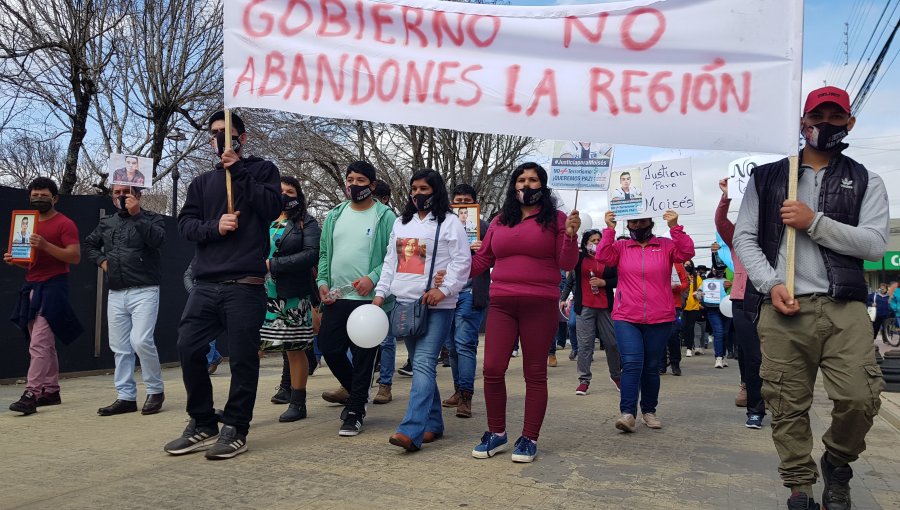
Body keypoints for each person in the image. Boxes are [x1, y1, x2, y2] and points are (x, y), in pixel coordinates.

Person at [733, 86, 889, 510]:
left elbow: (874, 244)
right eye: (816, 117)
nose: (825, 125)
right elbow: (744, 238)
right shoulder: (767, 177)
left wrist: (813, 221)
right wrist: (769, 283)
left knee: (860, 397)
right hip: (784, 309)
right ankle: (800, 487)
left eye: (835, 117)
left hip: (846, 308)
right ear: (802, 123)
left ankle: (838, 461)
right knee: (785, 403)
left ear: (849, 124)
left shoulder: (866, 180)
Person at [163, 110, 281, 460]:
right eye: (214, 133)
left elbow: (272, 207)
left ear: (242, 139)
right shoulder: (201, 183)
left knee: (243, 359)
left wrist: (238, 170)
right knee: (187, 347)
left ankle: (235, 428)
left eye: (227, 133)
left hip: (245, 285)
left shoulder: (262, 171)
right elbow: (185, 225)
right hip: (206, 284)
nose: (220, 139)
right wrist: (215, 227)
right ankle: (202, 421)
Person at [469, 162, 580, 463]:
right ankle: (497, 433)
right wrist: (451, 267)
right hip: (502, 304)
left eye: (533, 180)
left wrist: (570, 236)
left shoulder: (557, 219)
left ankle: (529, 438)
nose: (527, 185)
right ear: (513, 186)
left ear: (543, 187)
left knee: (535, 373)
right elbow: (482, 261)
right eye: (521, 180)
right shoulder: (500, 220)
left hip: (539, 305)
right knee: (492, 369)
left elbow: (567, 264)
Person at [373, 169, 470, 451]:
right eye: (414, 188)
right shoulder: (402, 223)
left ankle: (411, 430)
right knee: (421, 365)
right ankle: (434, 424)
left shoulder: (450, 223)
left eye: (424, 189)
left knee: (425, 363)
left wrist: (445, 289)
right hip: (406, 304)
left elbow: (462, 261)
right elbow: (391, 262)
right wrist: (381, 294)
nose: (417, 193)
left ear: (436, 191)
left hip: (438, 305)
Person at [316, 161, 397, 436]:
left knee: (364, 357)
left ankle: (355, 411)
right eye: (350, 179)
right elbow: (325, 254)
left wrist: (372, 278)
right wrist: (322, 282)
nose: (354, 185)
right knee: (329, 346)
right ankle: (357, 395)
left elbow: (393, 256)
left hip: (368, 301)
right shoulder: (335, 215)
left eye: (361, 180)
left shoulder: (385, 216)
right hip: (337, 298)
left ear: (372, 186)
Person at [596, 209, 694, 433]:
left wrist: (675, 227)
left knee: (651, 367)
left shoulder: (666, 245)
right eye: (633, 222)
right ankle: (628, 413)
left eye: (642, 221)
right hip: (626, 316)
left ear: (651, 221)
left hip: (660, 317)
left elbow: (686, 251)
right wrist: (609, 230)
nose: (637, 226)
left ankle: (649, 411)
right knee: (631, 364)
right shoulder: (620, 248)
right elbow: (602, 256)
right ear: (627, 224)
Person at [85, 184, 166, 416]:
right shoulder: (106, 222)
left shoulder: (152, 218)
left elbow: (157, 241)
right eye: (117, 193)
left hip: (145, 289)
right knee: (120, 347)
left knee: (141, 341)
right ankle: (126, 396)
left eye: (126, 192)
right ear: (112, 197)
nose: (122, 196)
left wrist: (137, 214)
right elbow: (89, 244)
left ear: (138, 195)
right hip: (117, 291)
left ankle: (155, 390)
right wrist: (102, 261)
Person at [6, 177, 83, 415]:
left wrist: (46, 245)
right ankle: (50, 390)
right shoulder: (26, 224)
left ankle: (31, 393)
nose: (39, 199)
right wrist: (15, 261)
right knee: (42, 343)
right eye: (35, 195)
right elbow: (32, 264)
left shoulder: (65, 224)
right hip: (31, 286)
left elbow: (74, 257)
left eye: (44, 195)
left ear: (55, 198)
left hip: (53, 287)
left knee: (39, 342)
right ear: (29, 197)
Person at [258, 176, 321, 422]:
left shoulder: (307, 222)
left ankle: (298, 402)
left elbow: (310, 255)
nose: (284, 196)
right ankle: (240, 403)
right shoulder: (261, 219)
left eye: (290, 192)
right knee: (252, 348)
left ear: (299, 196)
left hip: (292, 294)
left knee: (295, 349)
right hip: (258, 292)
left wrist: (273, 264)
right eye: (280, 190)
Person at [716, 178, 766, 428]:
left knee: (772, 356)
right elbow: (721, 222)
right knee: (751, 356)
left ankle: (778, 403)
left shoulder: (778, 235)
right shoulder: (737, 236)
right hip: (742, 299)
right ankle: (755, 409)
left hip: (771, 298)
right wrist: (726, 197)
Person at [441, 183, 491, 418]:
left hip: (471, 293)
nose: (462, 205)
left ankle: (466, 396)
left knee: (464, 344)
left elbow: (496, 258)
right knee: (451, 347)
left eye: (466, 201)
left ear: (474, 203)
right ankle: (458, 390)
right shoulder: (444, 225)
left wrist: (482, 251)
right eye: (458, 201)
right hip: (448, 292)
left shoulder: (484, 228)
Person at [560, 229, 621, 395]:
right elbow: (567, 260)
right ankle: (584, 380)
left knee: (612, 343)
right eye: (592, 240)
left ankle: (616, 376)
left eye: (598, 240)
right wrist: (571, 235)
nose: (596, 243)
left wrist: (604, 282)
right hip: (585, 307)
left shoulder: (609, 258)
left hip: (605, 307)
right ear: (585, 243)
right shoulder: (579, 259)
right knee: (585, 346)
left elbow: (618, 278)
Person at [372, 178, 399, 405]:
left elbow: (393, 259)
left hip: (386, 290)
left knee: (386, 340)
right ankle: (348, 383)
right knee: (357, 338)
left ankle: (385, 385)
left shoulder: (391, 219)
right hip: (359, 289)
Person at [182, 261, 223, 374]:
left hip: (221, 297)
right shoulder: (201, 255)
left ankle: (207, 363)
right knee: (196, 334)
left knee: (209, 335)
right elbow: (187, 275)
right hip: (200, 299)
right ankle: (214, 358)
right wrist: (194, 292)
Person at [660, 260, 688, 376]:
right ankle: (661, 365)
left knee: (673, 334)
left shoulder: (678, 265)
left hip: (674, 305)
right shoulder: (655, 262)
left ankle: (675, 363)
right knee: (659, 336)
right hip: (657, 305)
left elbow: (685, 284)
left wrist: (676, 287)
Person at [681, 261, 704, 357]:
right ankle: (685, 345)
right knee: (683, 328)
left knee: (690, 328)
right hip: (682, 305)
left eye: (689, 264)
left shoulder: (697, 278)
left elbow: (701, 292)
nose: (687, 266)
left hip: (693, 306)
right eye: (685, 264)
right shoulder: (680, 276)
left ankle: (689, 348)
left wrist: (699, 295)